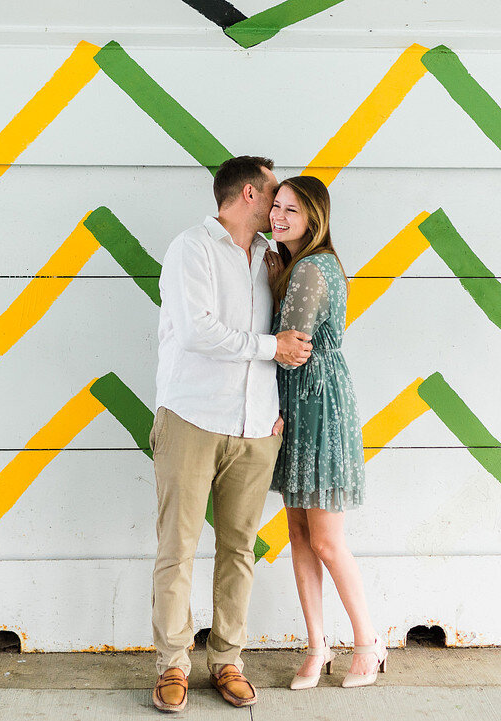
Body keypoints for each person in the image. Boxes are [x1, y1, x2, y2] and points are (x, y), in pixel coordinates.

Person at [149, 156, 313, 713]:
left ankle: (227, 660)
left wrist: (276, 407)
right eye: (274, 195)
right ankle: (172, 663)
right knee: (178, 548)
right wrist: (273, 349)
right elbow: (199, 333)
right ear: (249, 194)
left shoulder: (271, 258)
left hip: (255, 428)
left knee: (238, 549)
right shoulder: (190, 249)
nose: (280, 206)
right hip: (191, 418)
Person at [267, 176, 387, 690]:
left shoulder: (312, 268)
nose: (278, 216)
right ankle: (317, 647)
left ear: (313, 218)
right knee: (298, 534)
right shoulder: (300, 267)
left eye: (291, 209)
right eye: (275, 205)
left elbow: (288, 343)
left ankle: (368, 642)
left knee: (327, 541)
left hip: (315, 403)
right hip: (301, 401)